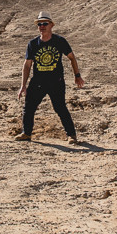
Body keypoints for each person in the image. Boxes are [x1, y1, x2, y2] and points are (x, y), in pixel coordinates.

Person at [16, 11, 84, 144]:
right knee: (29, 107)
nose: (42, 26)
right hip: (38, 82)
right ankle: (26, 133)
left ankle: (71, 135)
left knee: (60, 108)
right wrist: (23, 85)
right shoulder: (33, 44)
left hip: (56, 82)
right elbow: (27, 65)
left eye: (45, 23)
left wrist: (77, 76)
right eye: (39, 24)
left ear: (51, 25)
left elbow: (71, 57)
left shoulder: (60, 41)